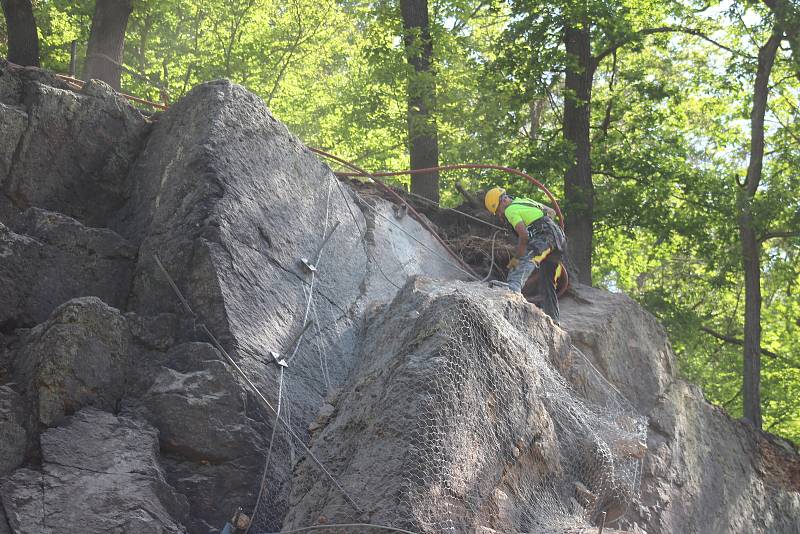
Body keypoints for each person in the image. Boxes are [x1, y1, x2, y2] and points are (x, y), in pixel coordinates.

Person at [484, 187, 566, 321]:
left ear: (503, 201)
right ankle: (554, 320)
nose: (500, 214)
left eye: (498, 210)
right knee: (547, 282)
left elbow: (524, 235)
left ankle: (512, 293)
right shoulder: (525, 201)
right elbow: (551, 212)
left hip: (544, 237)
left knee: (523, 262)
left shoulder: (510, 210)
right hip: (558, 239)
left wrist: (517, 257)